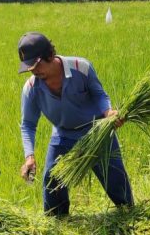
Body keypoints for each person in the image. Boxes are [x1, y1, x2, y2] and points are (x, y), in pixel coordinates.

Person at [17, 32, 133, 216]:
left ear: (49, 55)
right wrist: (29, 156)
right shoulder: (31, 88)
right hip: (63, 136)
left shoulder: (81, 67)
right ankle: (57, 221)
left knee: (115, 178)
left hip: (97, 132)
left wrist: (108, 112)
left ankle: (129, 214)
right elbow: (28, 124)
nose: (33, 71)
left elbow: (99, 94)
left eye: (36, 64)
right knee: (52, 179)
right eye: (29, 67)